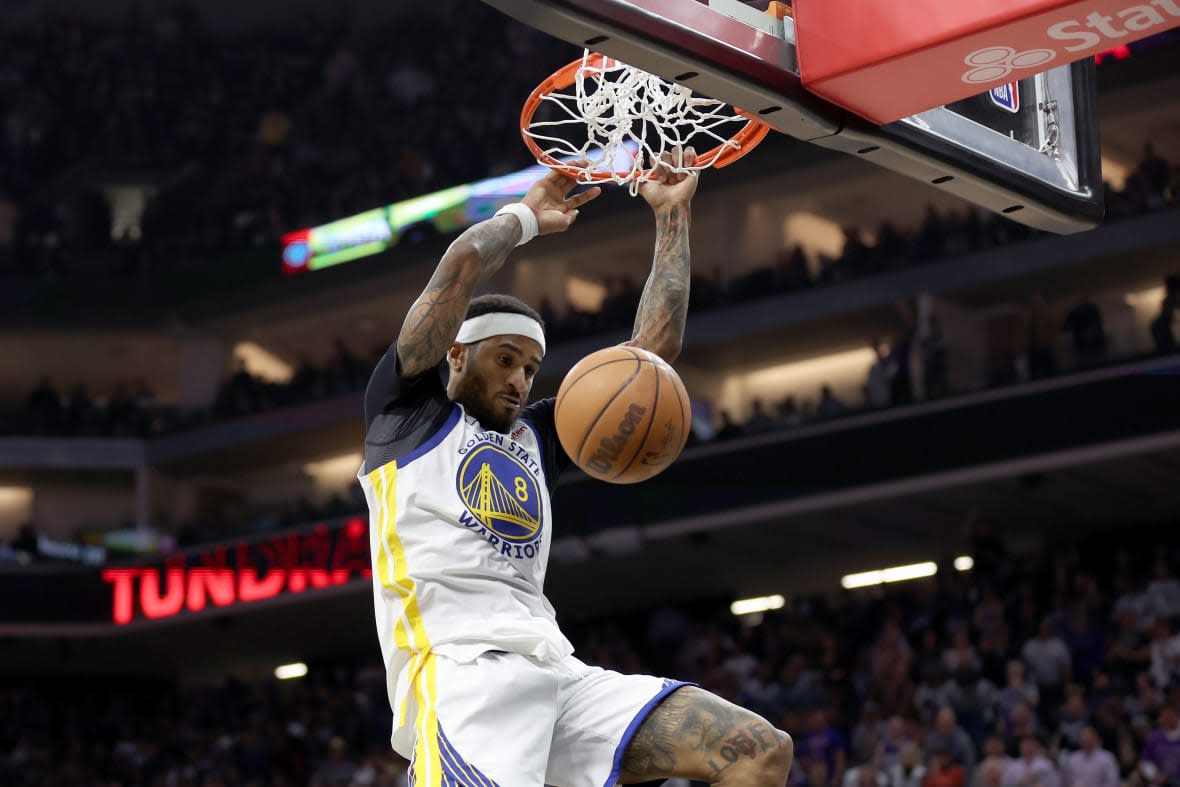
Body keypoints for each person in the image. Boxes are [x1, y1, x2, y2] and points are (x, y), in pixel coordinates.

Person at [357, 155, 793, 787]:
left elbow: (650, 360)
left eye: (531, 369)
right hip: (460, 675)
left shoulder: (535, 436)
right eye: (505, 359)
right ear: (454, 353)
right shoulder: (403, 418)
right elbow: (457, 270)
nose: (519, 380)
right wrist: (523, 219)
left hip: (556, 669)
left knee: (756, 749)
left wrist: (673, 216)